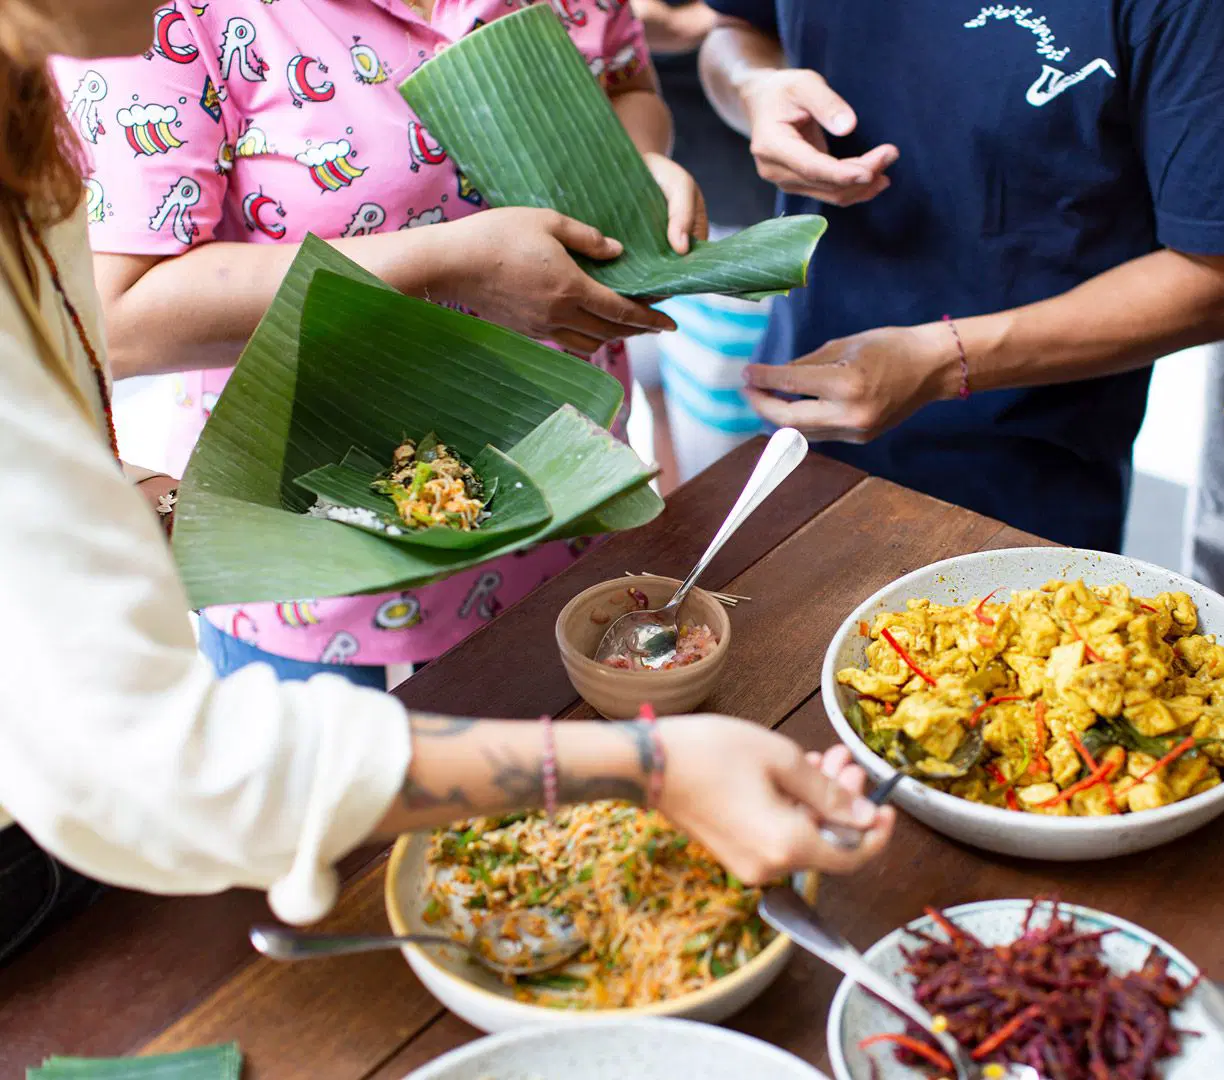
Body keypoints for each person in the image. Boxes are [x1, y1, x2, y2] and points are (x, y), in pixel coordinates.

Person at [0, 0, 894, 965]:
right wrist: (644, 766)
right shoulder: (163, 33)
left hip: (561, 510)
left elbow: (625, 78)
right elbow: (166, 762)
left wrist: (624, 170)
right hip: (318, 569)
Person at [52, 0, 700, 688]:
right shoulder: (161, 12)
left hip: (563, 492)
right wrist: (449, 263)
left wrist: (636, 169)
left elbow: (627, 84)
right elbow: (120, 316)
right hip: (319, 537)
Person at [698, 2, 1224, 551]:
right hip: (797, 423)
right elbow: (732, 32)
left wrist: (941, 359)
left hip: (1017, 481)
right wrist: (754, 88)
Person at [629, 0, 777, 481]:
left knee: (731, 430)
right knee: (655, 389)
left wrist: (694, 21)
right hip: (637, 193)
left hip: (742, 202)